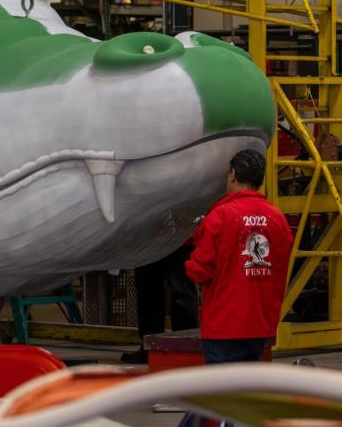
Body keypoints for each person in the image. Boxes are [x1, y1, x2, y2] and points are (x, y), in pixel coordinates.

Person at [185, 149, 293, 364]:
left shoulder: (221, 216)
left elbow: (199, 270)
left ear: (232, 174)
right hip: (260, 326)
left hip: (224, 326)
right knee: (247, 392)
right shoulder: (277, 219)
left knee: (223, 393)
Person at [120, 242, 200, 364]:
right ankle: (150, 347)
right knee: (148, 291)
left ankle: (186, 348)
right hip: (150, 241)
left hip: (178, 238)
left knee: (181, 291)